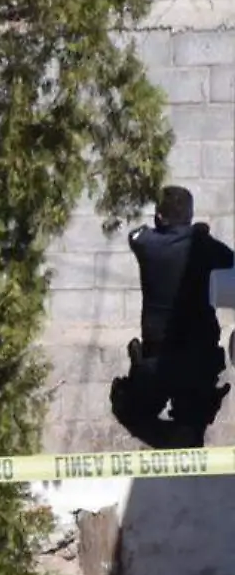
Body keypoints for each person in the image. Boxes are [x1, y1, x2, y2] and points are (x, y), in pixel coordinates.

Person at [113, 185, 235, 448]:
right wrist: (200, 236)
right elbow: (229, 260)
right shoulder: (203, 246)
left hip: (157, 363)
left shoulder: (147, 244)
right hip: (198, 362)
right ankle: (184, 437)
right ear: (190, 215)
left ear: (158, 217)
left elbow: (135, 235)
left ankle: (172, 438)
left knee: (126, 407)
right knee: (192, 427)